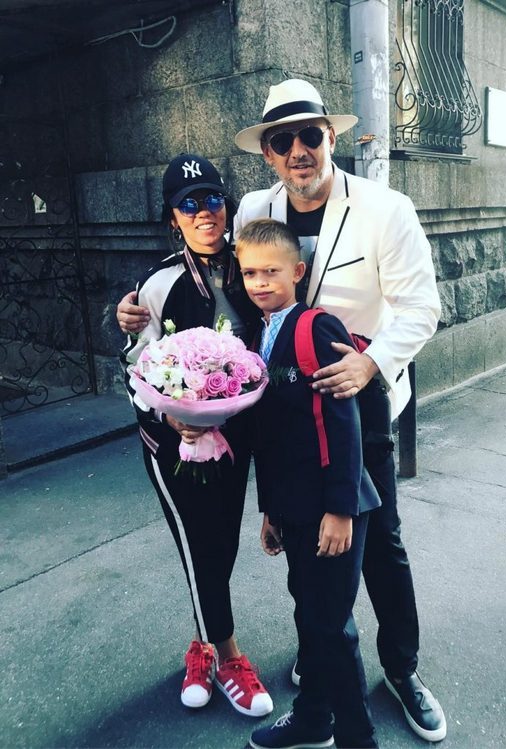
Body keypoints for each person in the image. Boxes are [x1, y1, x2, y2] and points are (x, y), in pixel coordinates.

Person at [117, 79, 446, 742]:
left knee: (378, 545)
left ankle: (401, 668)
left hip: (357, 400)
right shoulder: (257, 208)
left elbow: (422, 308)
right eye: (282, 140)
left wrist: (371, 364)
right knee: (304, 554)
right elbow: (211, 266)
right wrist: (134, 310)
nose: (298, 150)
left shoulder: (385, 209)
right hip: (285, 416)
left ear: (331, 137)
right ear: (268, 154)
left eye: (309, 135)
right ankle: (321, 666)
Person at [120, 153, 273, 718]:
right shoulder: (157, 284)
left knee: (222, 543)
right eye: (189, 205)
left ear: (226, 206)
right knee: (199, 544)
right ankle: (229, 656)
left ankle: (200, 645)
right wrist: (168, 418)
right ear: (173, 217)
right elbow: (135, 368)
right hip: (173, 446)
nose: (203, 212)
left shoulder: (249, 266)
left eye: (211, 199)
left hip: (236, 440)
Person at [237, 218, 380, 749]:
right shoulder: (259, 336)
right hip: (294, 507)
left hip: (332, 508)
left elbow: (343, 424)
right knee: (310, 612)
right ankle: (314, 718)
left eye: (271, 272)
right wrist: (270, 511)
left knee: (330, 625)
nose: (259, 283)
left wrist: (341, 510)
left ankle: (358, 738)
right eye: (249, 273)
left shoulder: (314, 329)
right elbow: (271, 437)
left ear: (297, 272)